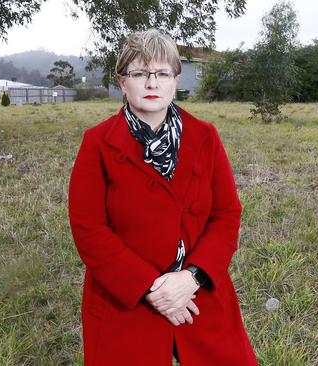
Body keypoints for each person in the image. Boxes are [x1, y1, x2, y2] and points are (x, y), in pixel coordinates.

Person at [68, 28, 258, 366]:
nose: (151, 83)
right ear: (122, 81)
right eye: (139, 74)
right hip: (125, 299)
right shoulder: (97, 143)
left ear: (176, 79)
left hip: (198, 294)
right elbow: (88, 229)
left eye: (161, 73)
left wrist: (192, 277)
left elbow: (226, 214)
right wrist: (151, 289)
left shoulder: (205, 137)